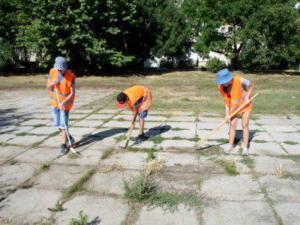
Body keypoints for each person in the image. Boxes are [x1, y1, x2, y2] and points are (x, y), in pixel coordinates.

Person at [217, 68, 254, 155]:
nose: (222, 84)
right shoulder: (221, 87)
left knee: (244, 125)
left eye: (224, 82)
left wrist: (247, 97)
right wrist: (227, 114)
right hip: (233, 108)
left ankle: (245, 147)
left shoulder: (239, 80)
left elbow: (251, 85)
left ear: (229, 79)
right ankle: (230, 145)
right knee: (232, 125)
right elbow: (226, 101)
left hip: (245, 105)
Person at [47, 56, 75, 155]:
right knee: (57, 124)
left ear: (65, 68)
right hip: (54, 103)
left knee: (63, 126)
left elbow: (72, 93)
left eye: (61, 69)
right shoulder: (52, 72)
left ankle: (63, 145)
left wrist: (64, 102)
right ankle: (69, 137)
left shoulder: (71, 76)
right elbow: (48, 88)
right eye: (58, 69)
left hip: (65, 105)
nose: (59, 71)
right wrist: (52, 83)